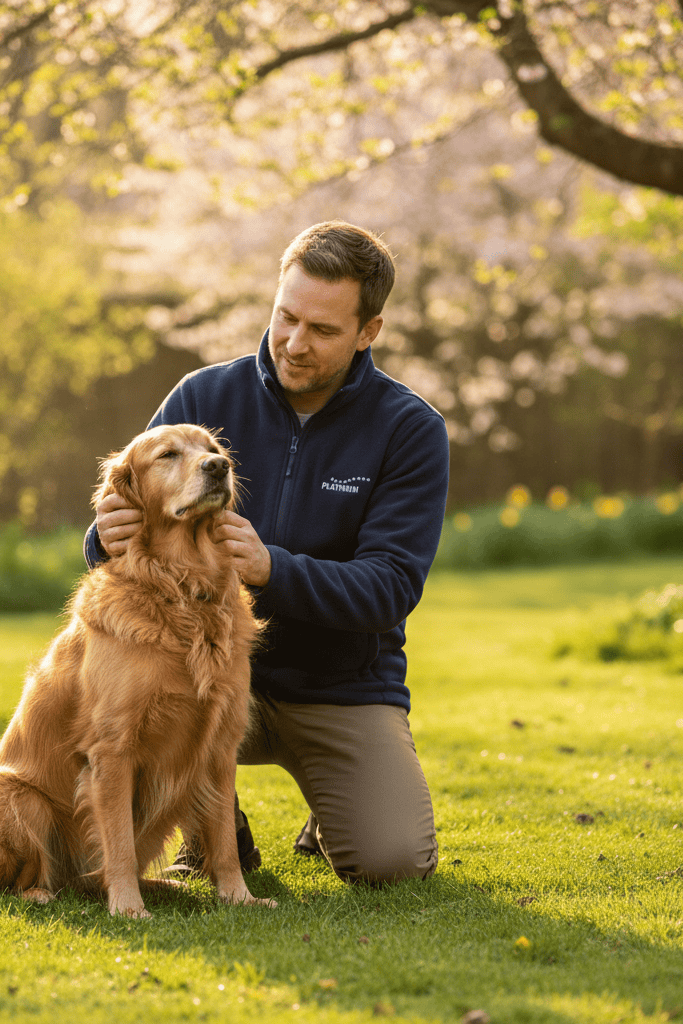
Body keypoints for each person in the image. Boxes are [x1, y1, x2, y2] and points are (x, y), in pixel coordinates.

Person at [83, 220, 449, 884]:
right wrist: (102, 532)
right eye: (286, 317)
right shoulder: (203, 396)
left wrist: (272, 569)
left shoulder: (409, 430)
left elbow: (390, 586)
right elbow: (124, 530)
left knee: (394, 862)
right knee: (114, 722)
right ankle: (219, 826)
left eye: (323, 330)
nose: (293, 343)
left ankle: (329, 800)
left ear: (369, 332)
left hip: (336, 690)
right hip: (196, 680)